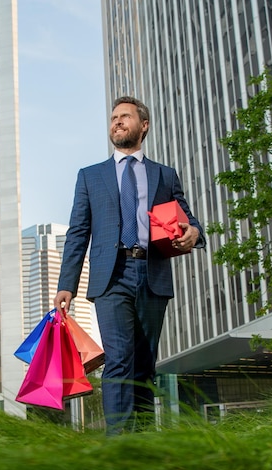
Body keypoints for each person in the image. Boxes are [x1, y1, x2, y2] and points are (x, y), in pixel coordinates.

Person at [54, 96, 205, 435]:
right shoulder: (90, 177)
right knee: (119, 359)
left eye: (124, 116)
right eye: (113, 118)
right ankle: (119, 443)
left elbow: (188, 219)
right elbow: (79, 231)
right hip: (112, 277)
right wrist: (68, 284)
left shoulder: (164, 175)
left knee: (143, 364)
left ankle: (144, 441)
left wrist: (193, 232)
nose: (117, 122)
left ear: (143, 125)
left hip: (152, 275)